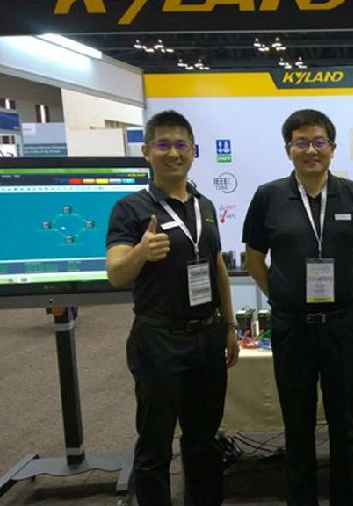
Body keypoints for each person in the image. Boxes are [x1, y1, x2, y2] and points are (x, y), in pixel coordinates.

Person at [242, 109, 353, 506]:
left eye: (319, 142)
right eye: (301, 142)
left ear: (332, 148)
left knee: (344, 420)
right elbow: (254, 258)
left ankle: (345, 499)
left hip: (341, 324)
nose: (311, 150)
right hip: (292, 326)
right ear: (288, 149)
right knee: (297, 420)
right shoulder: (268, 196)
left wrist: (350, 290)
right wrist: (279, 295)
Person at [106, 110, 239, 506]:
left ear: (194, 151)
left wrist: (230, 326)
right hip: (158, 339)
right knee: (155, 443)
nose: (173, 153)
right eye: (163, 145)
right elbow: (115, 273)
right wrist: (140, 253)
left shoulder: (205, 204)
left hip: (207, 335)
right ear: (147, 152)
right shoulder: (130, 208)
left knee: (203, 440)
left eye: (181, 145)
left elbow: (216, 267)